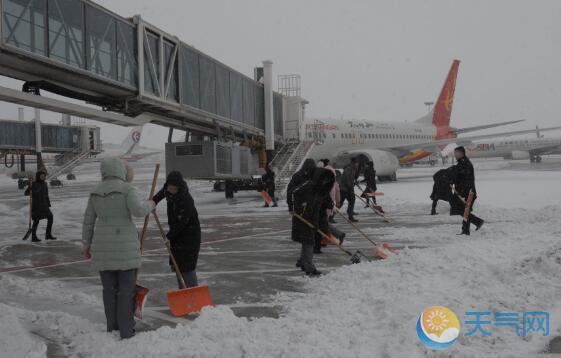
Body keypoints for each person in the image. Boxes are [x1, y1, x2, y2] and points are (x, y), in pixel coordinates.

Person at [81, 158, 155, 339]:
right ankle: (126, 330)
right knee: (126, 291)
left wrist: (86, 245)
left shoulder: (95, 192)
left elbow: (88, 221)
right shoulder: (127, 189)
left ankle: (112, 328)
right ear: (121, 170)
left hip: (102, 248)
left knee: (109, 290)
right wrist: (150, 205)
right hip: (125, 248)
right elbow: (138, 211)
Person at [153, 171, 201, 288]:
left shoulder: (186, 199)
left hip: (190, 236)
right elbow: (158, 197)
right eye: (170, 187)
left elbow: (182, 223)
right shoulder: (167, 190)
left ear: (179, 187)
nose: (171, 190)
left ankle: (192, 292)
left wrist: (169, 236)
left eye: (174, 188)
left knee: (187, 267)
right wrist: (152, 203)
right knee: (178, 266)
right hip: (177, 237)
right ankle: (183, 293)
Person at [292, 167, 335, 275]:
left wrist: (315, 222)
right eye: (325, 180)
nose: (326, 182)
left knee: (308, 241)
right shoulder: (309, 186)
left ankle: (303, 262)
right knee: (309, 241)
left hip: (310, 218)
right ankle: (308, 266)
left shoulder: (321, 189)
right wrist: (301, 208)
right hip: (302, 218)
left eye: (328, 181)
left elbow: (318, 206)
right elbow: (295, 193)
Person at [449, 146, 485, 235]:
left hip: (469, 192)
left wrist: (453, 175)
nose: (455, 155)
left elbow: (463, 177)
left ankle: (478, 222)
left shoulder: (465, 164)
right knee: (465, 211)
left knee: (463, 211)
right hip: (465, 191)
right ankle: (465, 230)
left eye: (456, 153)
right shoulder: (461, 163)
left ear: (461, 153)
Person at [24, 170, 57, 242]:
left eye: (44, 176)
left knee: (50, 217)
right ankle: (34, 237)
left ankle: (48, 235)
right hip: (36, 206)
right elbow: (26, 193)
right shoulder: (33, 184)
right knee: (36, 221)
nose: (43, 177)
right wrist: (29, 187)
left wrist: (48, 203)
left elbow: (46, 195)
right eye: (41, 176)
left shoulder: (45, 184)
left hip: (44, 205)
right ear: (38, 176)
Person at [339, 157, 359, 222]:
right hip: (345, 189)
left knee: (351, 200)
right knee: (342, 202)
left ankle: (350, 215)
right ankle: (330, 216)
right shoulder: (348, 169)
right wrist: (350, 187)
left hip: (347, 188)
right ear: (353, 163)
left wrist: (354, 183)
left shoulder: (352, 169)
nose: (357, 164)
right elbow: (347, 179)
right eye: (356, 163)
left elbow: (351, 179)